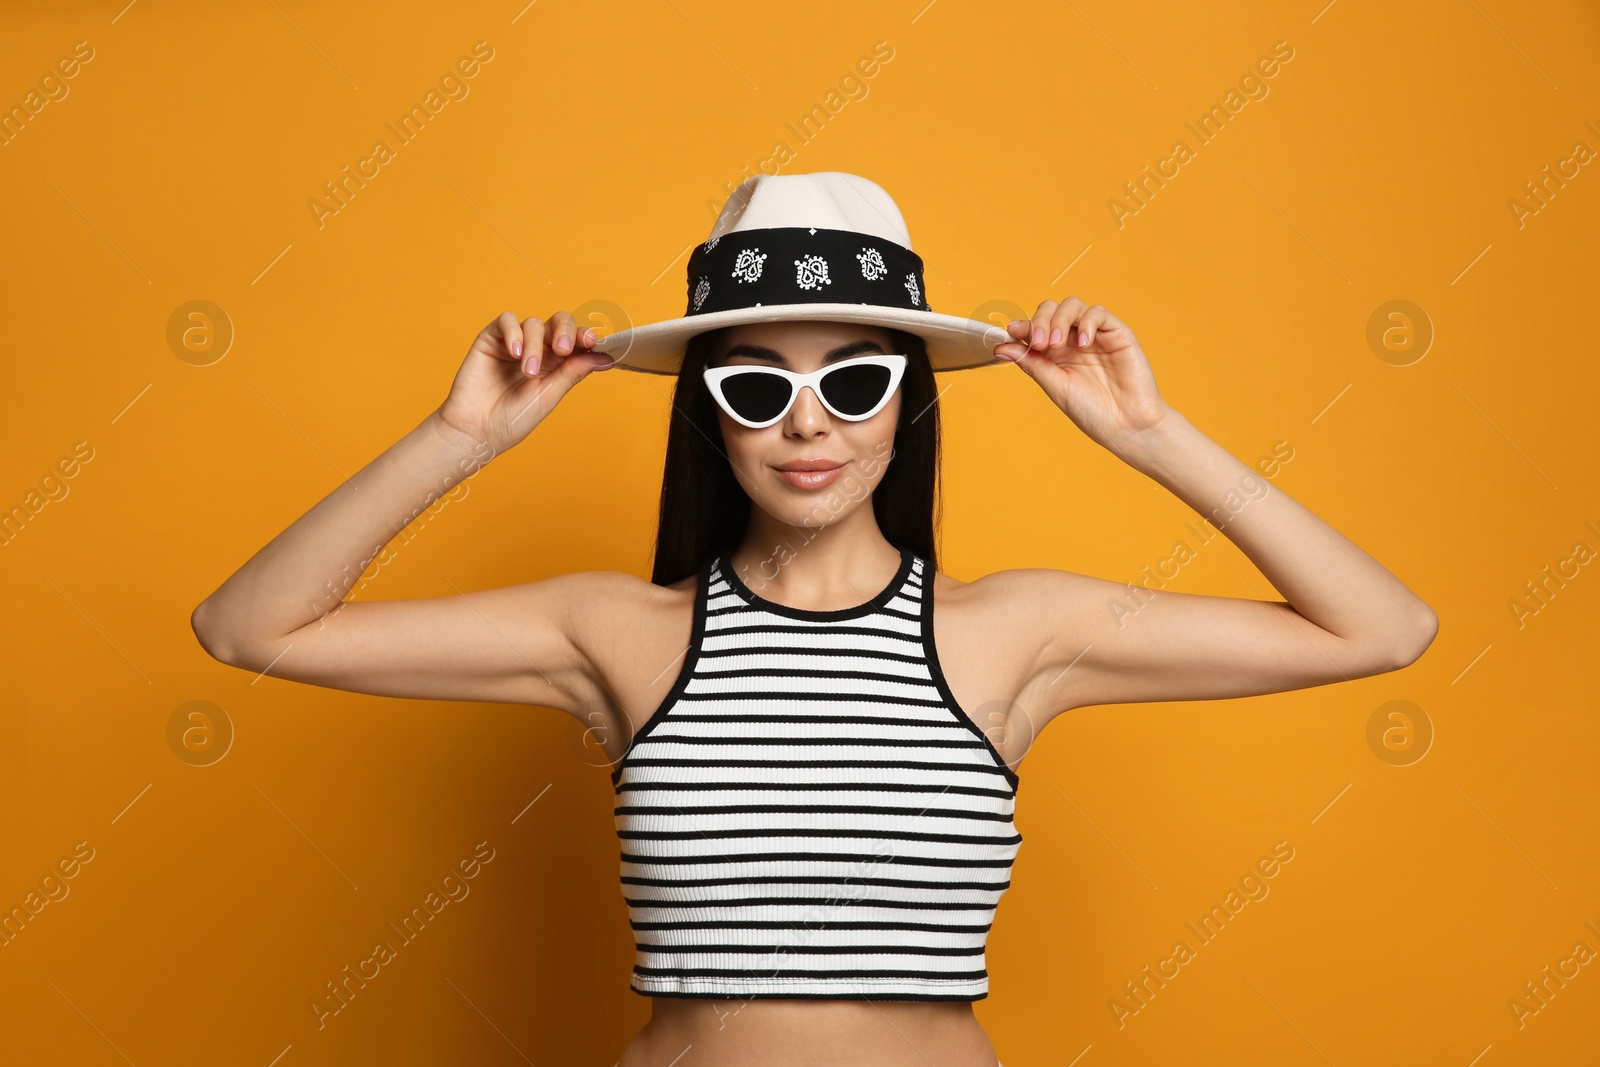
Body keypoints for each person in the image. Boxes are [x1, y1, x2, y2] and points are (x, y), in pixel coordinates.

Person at [191, 173, 1437, 1067]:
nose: (808, 424)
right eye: (756, 383)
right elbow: (251, 628)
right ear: (708, 410)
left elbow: (1378, 629)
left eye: (852, 378)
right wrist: (460, 437)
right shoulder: (616, 634)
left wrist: (1150, 435)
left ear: (905, 400)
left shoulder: (1013, 634)